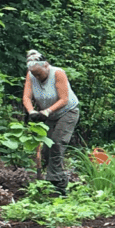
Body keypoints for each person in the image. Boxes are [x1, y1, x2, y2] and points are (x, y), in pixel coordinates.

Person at [22, 50, 79, 196]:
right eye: (34, 74)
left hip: (67, 112)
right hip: (47, 115)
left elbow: (64, 99)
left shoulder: (58, 73)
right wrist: (31, 112)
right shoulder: (31, 75)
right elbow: (27, 97)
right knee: (46, 148)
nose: (37, 77)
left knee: (57, 143)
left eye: (39, 74)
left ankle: (58, 185)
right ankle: (48, 180)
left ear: (46, 66)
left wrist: (47, 111)